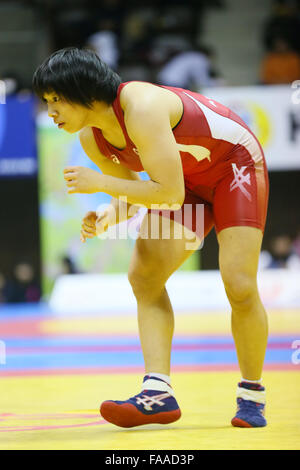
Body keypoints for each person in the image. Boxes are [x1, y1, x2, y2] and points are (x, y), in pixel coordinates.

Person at [33, 47, 269, 429]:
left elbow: (168, 193)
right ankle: (157, 392)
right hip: (186, 184)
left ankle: (251, 394)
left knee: (239, 285)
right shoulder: (93, 138)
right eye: (47, 103)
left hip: (233, 170)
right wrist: (108, 214)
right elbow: (133, 194)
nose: (51, 112)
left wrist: (101, 183)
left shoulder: (140, 105)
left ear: (83, 90)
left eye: (56, 100)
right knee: (144, 277)